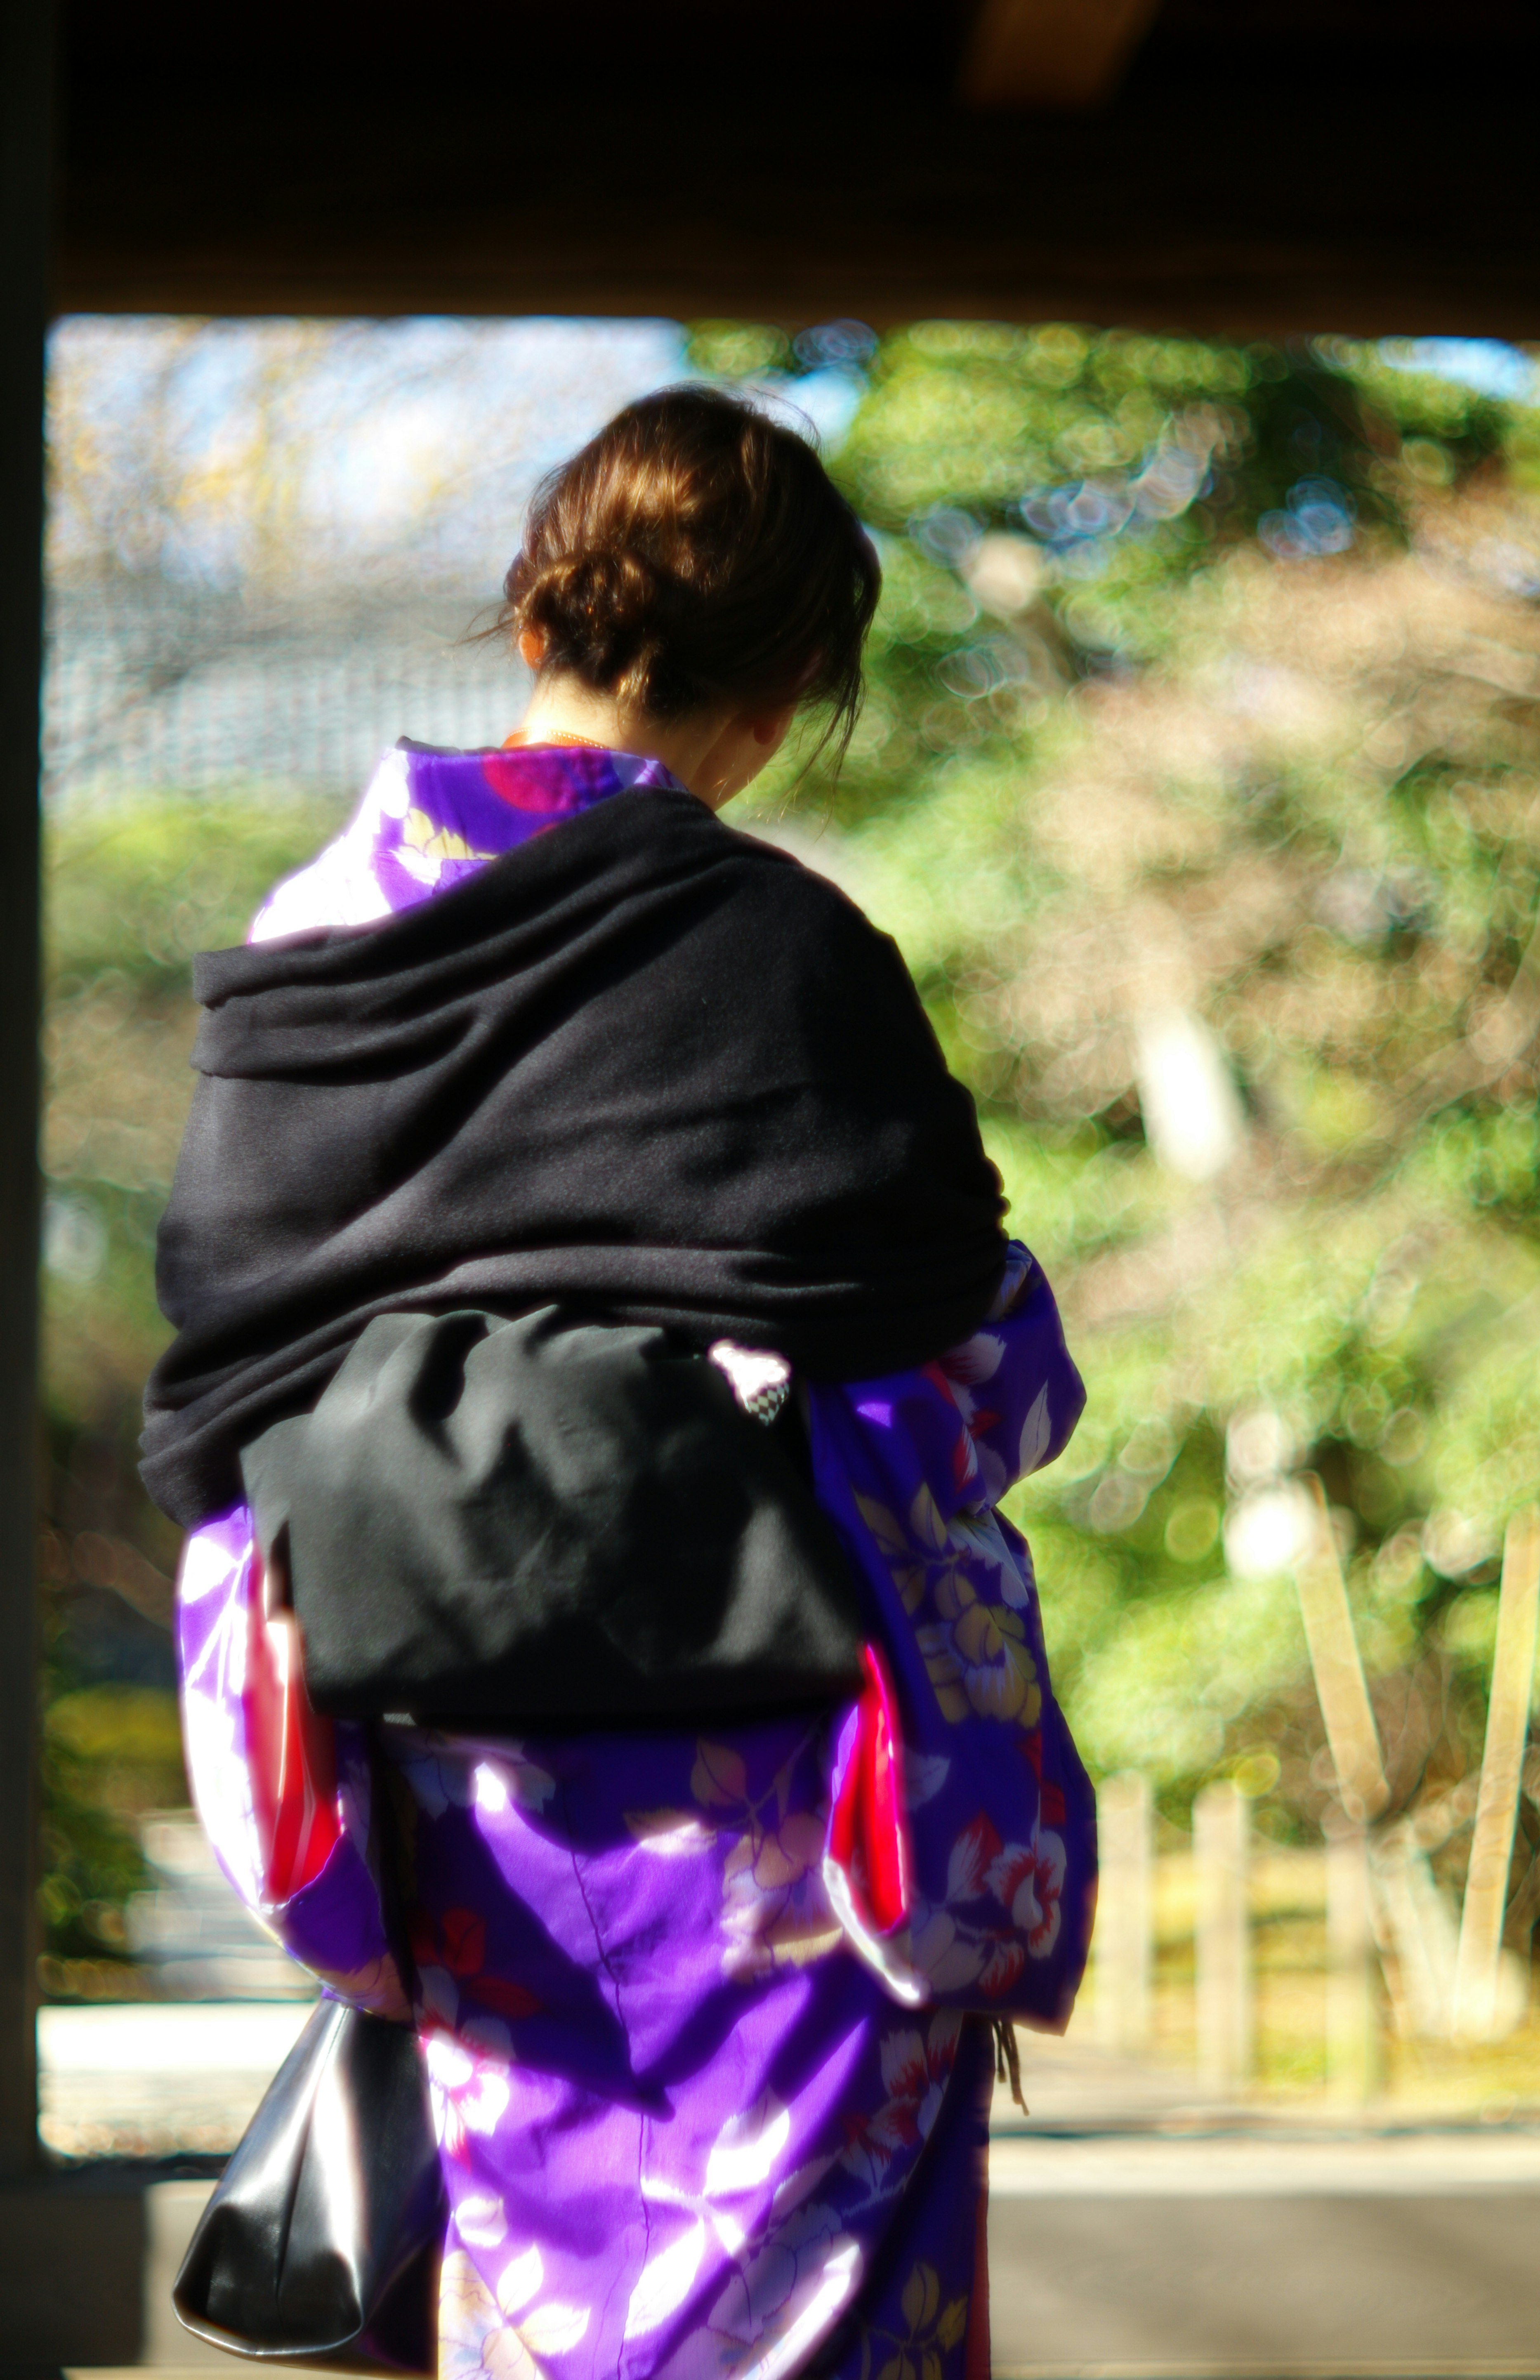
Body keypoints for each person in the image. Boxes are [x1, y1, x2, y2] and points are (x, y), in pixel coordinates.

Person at [145, 386, 1095, 2380]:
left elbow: (234, 1390)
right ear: (785, 695)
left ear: (534, 619)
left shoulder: (310, 936)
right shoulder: (787, 948)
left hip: (461, 1815)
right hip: (774, 1846)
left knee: (524, 2317)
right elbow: (973, 1367)